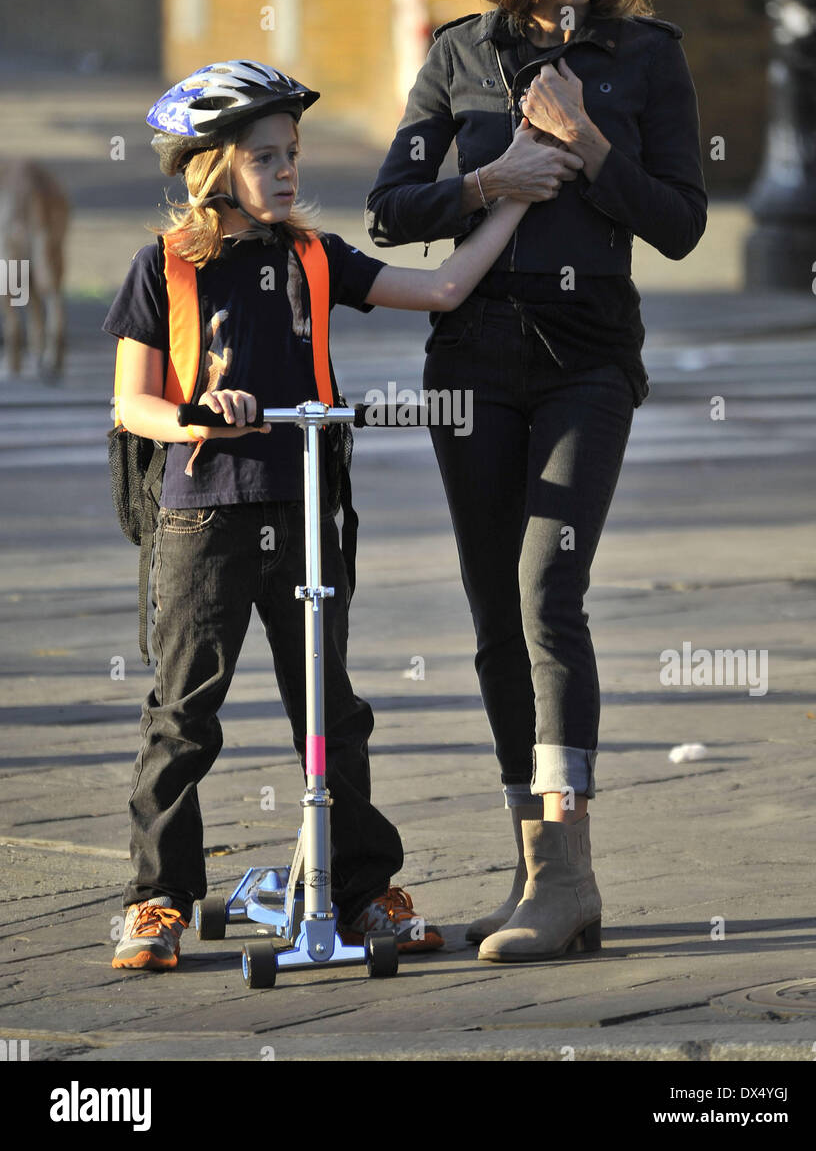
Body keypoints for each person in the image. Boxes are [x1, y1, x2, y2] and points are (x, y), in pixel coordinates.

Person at [104, 59, 549, 971]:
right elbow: (132, 405)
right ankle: (156, 903)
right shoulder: (164, 267)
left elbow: (442, 289)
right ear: (212, 167)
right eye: (265, 156)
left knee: (333, 713)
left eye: (292, 153)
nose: (287, 170)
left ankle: (360, 894)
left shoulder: (314, 257)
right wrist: (198, 413)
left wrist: (515, 198)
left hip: (307, 509)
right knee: (185, 715)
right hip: (203, 518)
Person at [365, 0, 708, 962]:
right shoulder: (458, 54)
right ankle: (535, 878)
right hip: (472, 362)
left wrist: (589, 141)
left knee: (547, 589)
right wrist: (487, 181)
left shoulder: (647, 55)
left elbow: (680, 220)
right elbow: (388, 208)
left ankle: (567, 873)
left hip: (587, 357)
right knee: (493, 621)